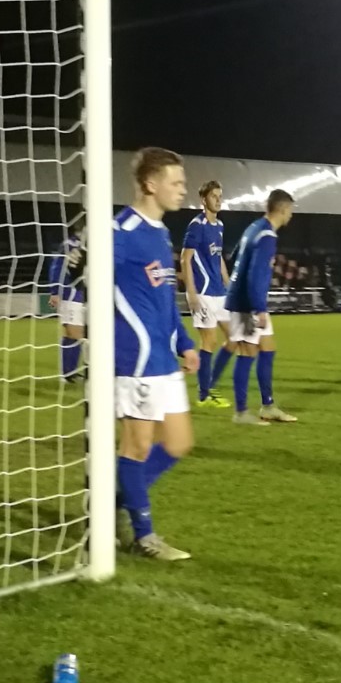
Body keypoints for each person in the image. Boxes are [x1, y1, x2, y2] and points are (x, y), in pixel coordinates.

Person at [113, 147, 201, 561]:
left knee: (178, 443)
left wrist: (184, 341)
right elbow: (86, 279)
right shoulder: (121, 230)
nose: (183, 190)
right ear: (151, 184)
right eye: (177, 182)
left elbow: (165, 298)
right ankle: (144, 536)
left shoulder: (161, 232)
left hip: (164, 357)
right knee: (138, 448)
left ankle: (109, 502)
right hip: (135, 356)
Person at [224, 189, 298, 425]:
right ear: (283, 209)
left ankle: (268, 406)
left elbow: (234, 258)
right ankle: (241, 412)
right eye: (291, 211)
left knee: (268, 349)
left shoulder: (254, 227)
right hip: (247, 303)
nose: (291, 216)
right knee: (247, 353)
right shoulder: (267, 235)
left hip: (246, 299)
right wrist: (259, 308)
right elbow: (256, 274)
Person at [180, 180, 233, 407]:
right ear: (204, 200)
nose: (218, 200)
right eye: (214, 196)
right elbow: (185, 258)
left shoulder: (219, 226)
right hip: (202, 293)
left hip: (219, 292)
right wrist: (191, 292)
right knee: (209, 341)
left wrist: (228, 282)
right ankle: (204, 394)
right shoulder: (196, 226)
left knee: (234, 337)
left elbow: (218, 256)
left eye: (220, 196)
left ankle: (209, 383)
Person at [46, 216, 87, 382]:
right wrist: (55, 292)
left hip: (83, 296)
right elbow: (56, 268)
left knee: (77, 334)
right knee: (73, 333)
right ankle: (66, 374)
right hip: (70, 294)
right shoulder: (70, 245)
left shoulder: (89, 246)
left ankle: (71, 372)